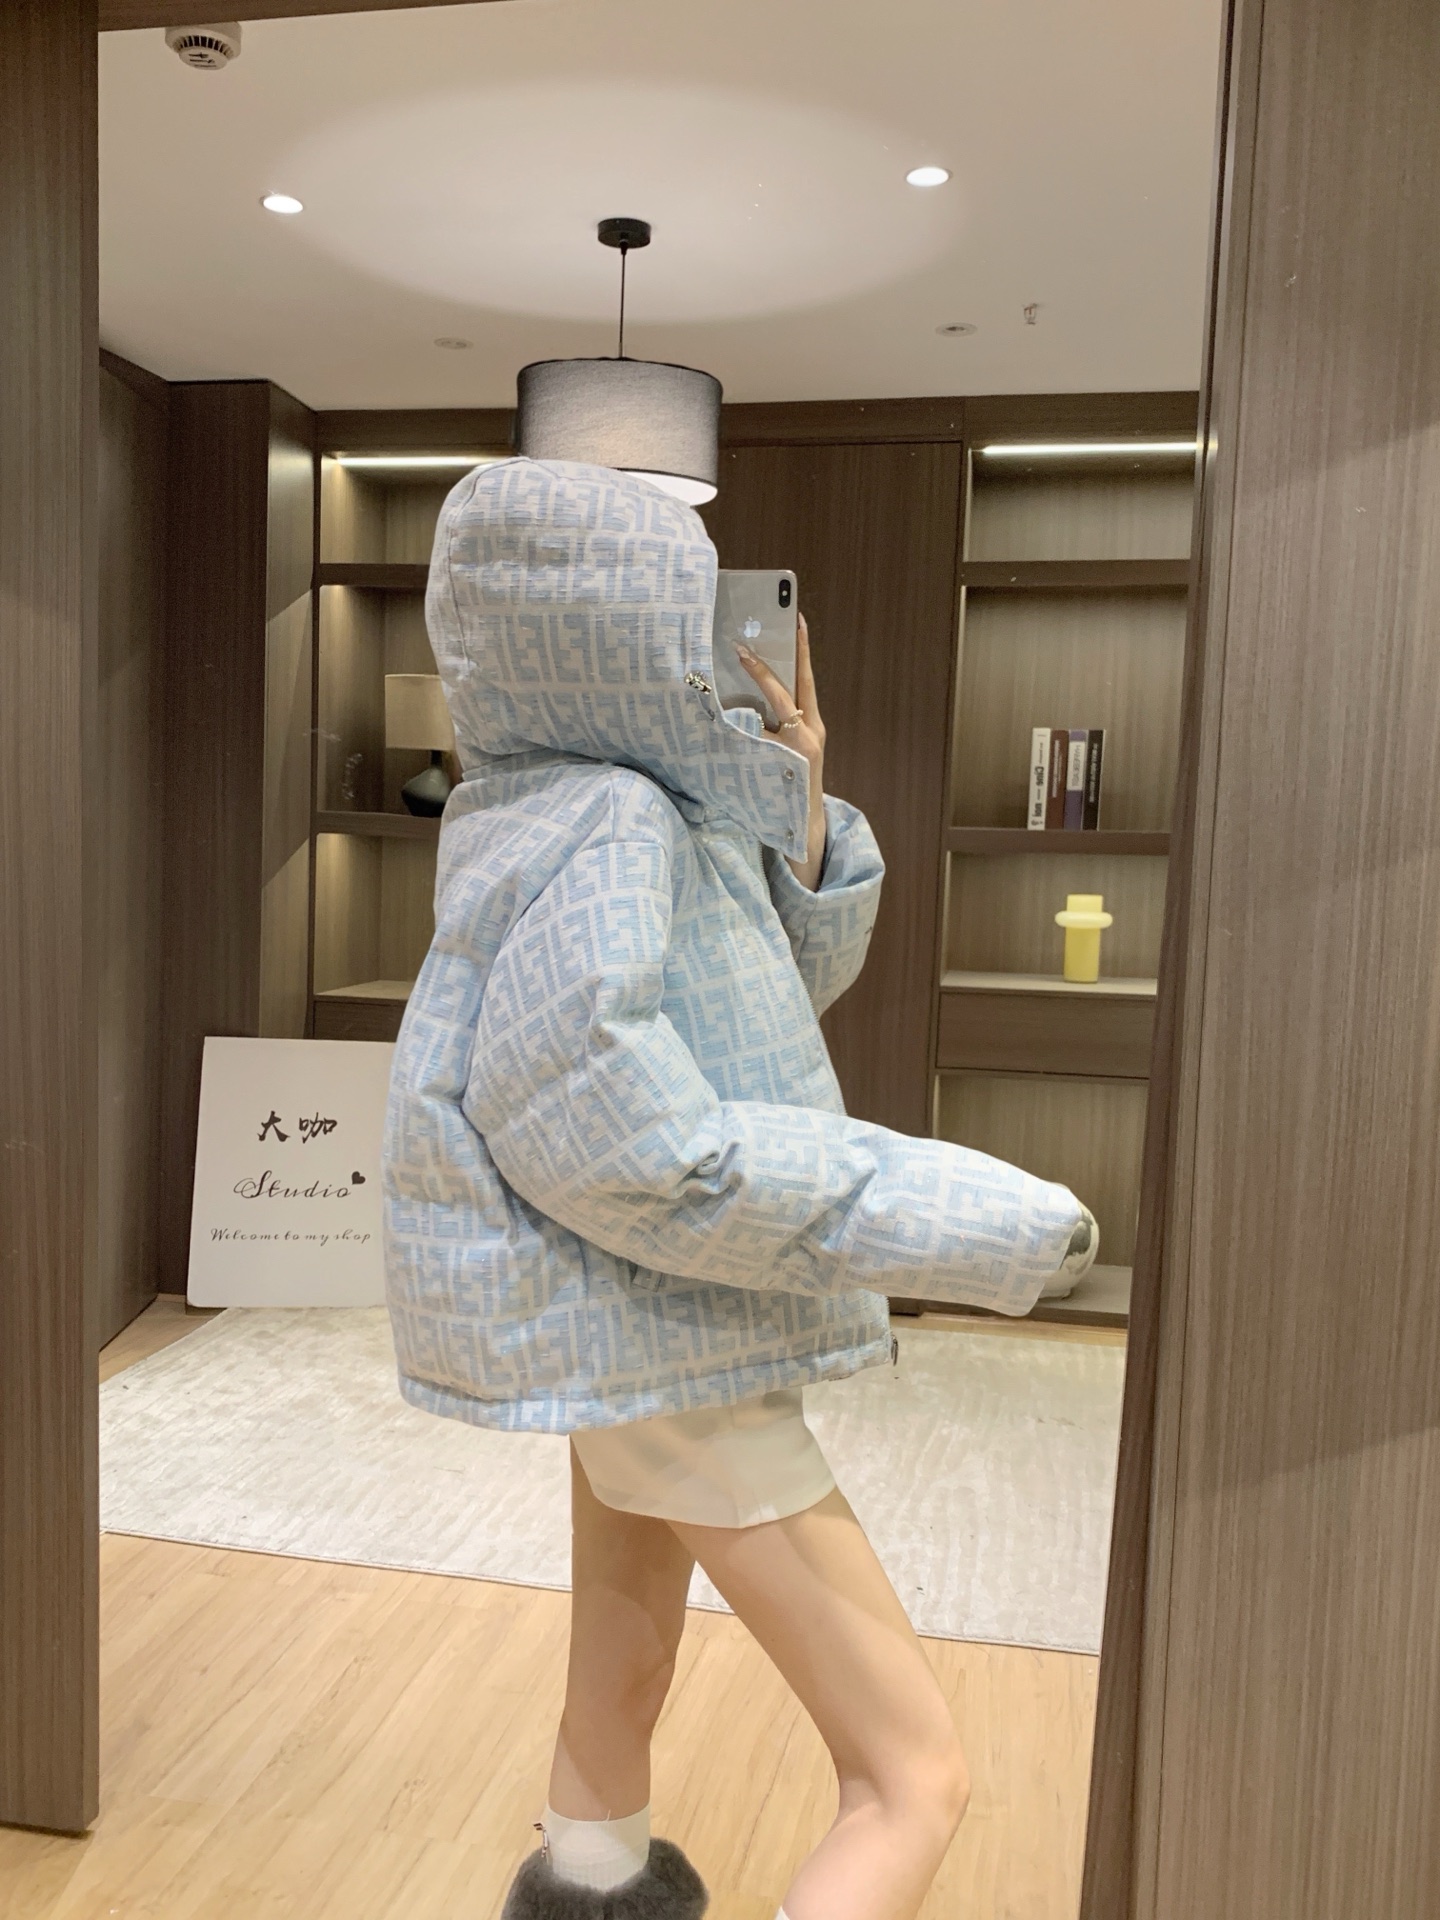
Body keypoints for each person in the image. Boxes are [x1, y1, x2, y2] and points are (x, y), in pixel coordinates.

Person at [382, 459, 1097, 1920]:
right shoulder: (612, 816)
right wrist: (956, 1216)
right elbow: (619, 1137)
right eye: (678, 616)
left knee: (620, 1661)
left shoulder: (594, 801)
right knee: (913, 1776)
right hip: (665, 1323)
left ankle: (590, 1886)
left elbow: (774, 999)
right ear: (621, 632)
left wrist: (798, 783)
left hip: (638, 1321)